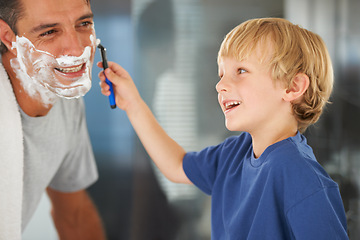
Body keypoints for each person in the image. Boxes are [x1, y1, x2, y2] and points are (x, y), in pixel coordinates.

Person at [99, 18, 348, 239]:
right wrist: (132, 103)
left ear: (293, 87)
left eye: (241, 71)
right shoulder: (234, 153)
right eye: (221, 74)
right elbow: (176, 166)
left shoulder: (303, 180)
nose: (220, 85)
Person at [0, 0, 105, 239]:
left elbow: (74, 216)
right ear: (8, 37)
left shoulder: (66, 104)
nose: (77, 49)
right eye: (49, 32)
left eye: (84, 23)